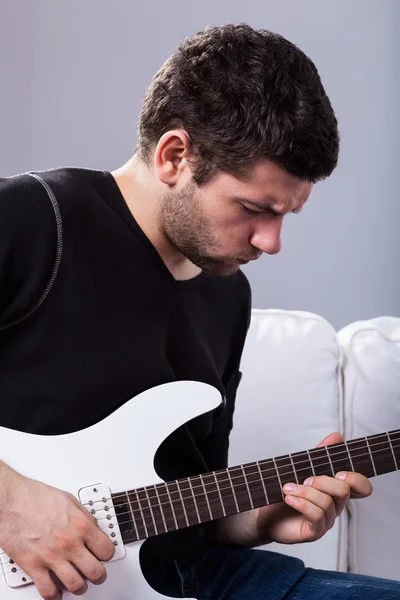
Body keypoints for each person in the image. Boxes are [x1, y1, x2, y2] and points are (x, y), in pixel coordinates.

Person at [0, 22, 398, 600]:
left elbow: (191, 501)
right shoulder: (34, 220)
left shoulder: (227, 294)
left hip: (188, 579)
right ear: (174, 155)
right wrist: (10, 500)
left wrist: (265, 521)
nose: (271, 242)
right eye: (254, 208)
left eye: (287, 215)